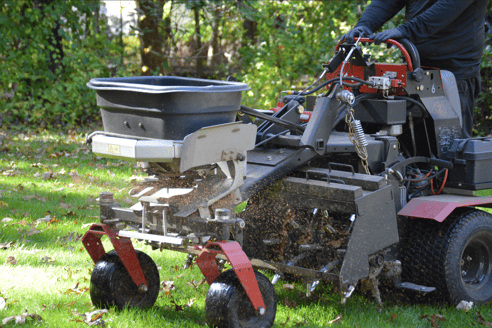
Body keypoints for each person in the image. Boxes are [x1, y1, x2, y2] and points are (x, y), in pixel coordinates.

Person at [341, 0, 489, 138]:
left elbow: (448, 6)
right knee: (411, 148)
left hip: (455, 72)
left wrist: (407, 31)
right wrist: (366, 24)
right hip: (414, 68)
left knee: (454, 150)